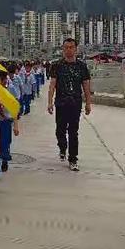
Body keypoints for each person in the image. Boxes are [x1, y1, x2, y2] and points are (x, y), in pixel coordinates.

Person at [48, 38, 92, 172]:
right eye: (66, 47)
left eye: (71, 47)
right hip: (61, 103)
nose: (69, 50)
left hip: (75, 104)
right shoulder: (57, 65)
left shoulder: (82, 66)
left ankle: (73, 159)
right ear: (63, 49)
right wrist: (49, 102)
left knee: (73, 132)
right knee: (60, 130)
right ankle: (62, 147)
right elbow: (52, 85)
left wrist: (88, 104)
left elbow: (86, 86)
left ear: (76, 49)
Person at [0, 71, 20, 180]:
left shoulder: (8, 92)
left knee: (5, 144)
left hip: (6, 122)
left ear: (2, 82)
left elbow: (14, 108)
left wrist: (15, 125)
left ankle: (5, 159)